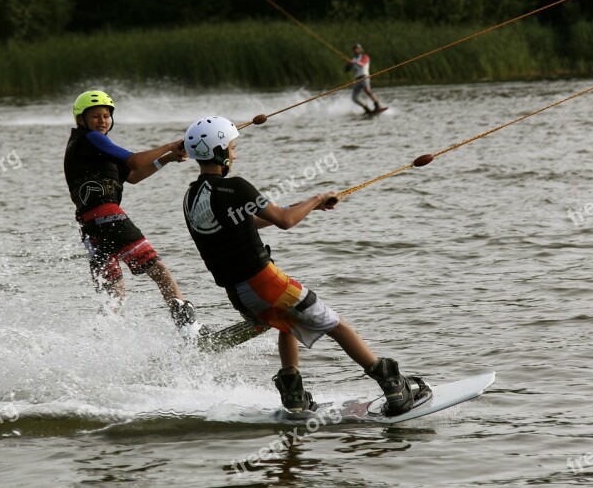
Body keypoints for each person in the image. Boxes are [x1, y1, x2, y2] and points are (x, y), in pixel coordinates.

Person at [181, 116, 428, 415]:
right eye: (232, 147)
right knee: (335, 323)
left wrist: (308, 206)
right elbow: (284, 221)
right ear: (218, 151)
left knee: (288, 325)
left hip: (239, 294)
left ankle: (294, 399)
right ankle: (394, 386)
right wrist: (317, 196)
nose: (235, 154)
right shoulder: (236, 187)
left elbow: (248, 222)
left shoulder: (192, 196)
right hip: (266, 283)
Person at [63, 90, 202, 336]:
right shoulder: (91, 139)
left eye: (106, 116)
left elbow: (134, 176)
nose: (102, 121)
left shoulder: (96, 147)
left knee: (113, 293)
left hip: (90, 227)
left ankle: (97, 338)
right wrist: (170, 145)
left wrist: (168, 158)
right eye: (95, 116)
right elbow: (136, 161)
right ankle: (189, 329)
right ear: (80, 120)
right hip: (109, 216)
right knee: (159, 271)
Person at [345, 43, 384, 114]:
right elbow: (347, 70)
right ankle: (366, 108)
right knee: (354, 98)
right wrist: (348, 64)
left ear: (360, 49)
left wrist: (353, 62)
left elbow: (362, 64)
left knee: (367, 91)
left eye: (357, 49)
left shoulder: (365, 56)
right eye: (354, 49)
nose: (356, 50)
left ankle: (378, 106)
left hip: (364, 77)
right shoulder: (354, 59)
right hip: (357, 79)